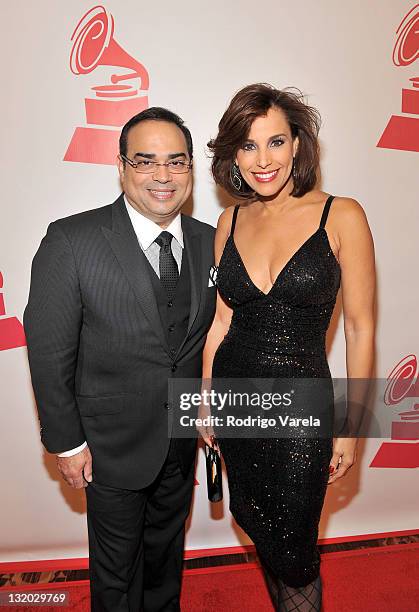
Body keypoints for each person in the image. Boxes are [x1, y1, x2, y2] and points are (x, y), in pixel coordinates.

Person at [23, 107, 216, 611]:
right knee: (114, 580)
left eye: (177, 162)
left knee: (165, 565)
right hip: (106, 448)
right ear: (122, 166)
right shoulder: (72, 239)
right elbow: (48, 351)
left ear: (191, 168)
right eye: (146, 161)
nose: (163, 176)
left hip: (178, 443)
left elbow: (212, 338)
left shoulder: (209, 240)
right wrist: (66, 445)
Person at [200, 84, 375, 611]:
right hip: (236, 399)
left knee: (296, 549)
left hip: (303, 410)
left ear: (298, 144)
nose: (263, 160)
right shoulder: (228, 221)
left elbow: (361, 329)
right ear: (234, 153)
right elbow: (220, 321)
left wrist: (352, 427)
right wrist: (204, 398)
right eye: (248, 146)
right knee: (257, 525)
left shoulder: (341, 215)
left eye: (275, 142)